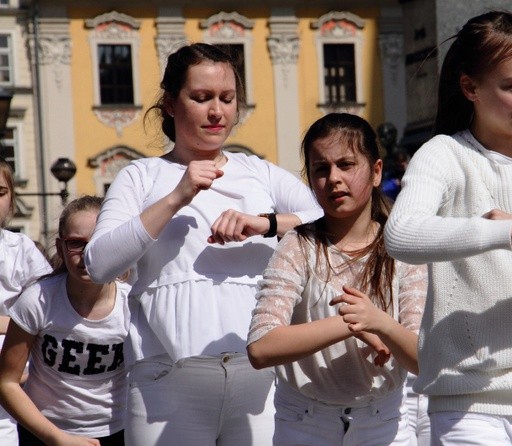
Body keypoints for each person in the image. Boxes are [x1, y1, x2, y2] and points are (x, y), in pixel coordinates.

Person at [83, 43, 322, 446]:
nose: (217, 112)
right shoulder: (141, 176)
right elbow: (98, 263)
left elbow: (332, 224)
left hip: (256, 378)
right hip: (166, 380)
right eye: (202, 98)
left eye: (227, 99)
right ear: (170, 104)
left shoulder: (258, 172)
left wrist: (264, 224)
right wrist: (177, 196)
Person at [384, 11, 512, 446]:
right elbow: (401, 234)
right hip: (469, 407)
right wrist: (503, 232)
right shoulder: (444, 154)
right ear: (470, 87)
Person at [247, 113, 427, 445]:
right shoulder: (298, 246)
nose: (333, 179)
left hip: (384, 425)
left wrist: (381, 324)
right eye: (321, 169)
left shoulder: (402, 247)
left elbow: (422, 358)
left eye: (346, 165)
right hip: (303, 423)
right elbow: (261, 348)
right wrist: (351, 323)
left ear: (375, 172)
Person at [0, 196, 129, 446]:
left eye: (99, 243)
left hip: (117, 430)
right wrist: (56, 438)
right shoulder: (37, 300)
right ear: (60, 248)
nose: (88, 253)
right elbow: (6, 381)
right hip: (44, 431)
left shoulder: (132, 302)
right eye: (76, 244)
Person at [0, 157, 52, 446]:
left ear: (12, 199)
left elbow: (47, 304)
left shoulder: (20, 248)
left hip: (15, 370)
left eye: (0, 193)